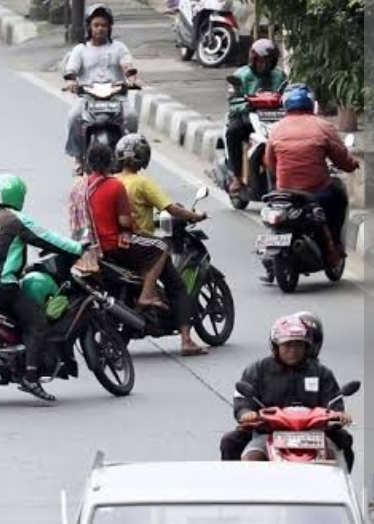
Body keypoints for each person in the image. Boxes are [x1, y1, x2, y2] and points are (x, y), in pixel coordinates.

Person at [0, 173, 85, 402]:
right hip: (2, 286)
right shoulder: (14, 219)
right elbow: (46, 238)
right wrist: (77, 248)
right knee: (38, 323)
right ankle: (31, 376)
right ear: (17, 195)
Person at [114, 133, 208, 356]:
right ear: (143, 157)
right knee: (177, 287)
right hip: (144, 248)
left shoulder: (112, 181)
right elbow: (171, 208)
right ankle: (186, 340)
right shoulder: (142, 183)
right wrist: (195, 216)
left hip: (118, 245)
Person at [264, 83, 360, 277]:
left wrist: (282, 180)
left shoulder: (276, 128)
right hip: (316, 191)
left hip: (284, 191)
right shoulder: (323, 126)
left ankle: (270, 251)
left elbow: (269, 161)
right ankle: (334, 249)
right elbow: (341, 158)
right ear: (311, 103)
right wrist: (352, 165)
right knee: (338, 200)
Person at [230, 315, 352, 462]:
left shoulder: (321, 372)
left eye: (298, 345)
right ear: (276, 346)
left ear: (307, 347)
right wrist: (246, 412)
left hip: (314, 434)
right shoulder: (258, 369)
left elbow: (334, 401)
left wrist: (339, 414)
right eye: (287, 345)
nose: (293, 350)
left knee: (343, 444)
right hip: (268, 433)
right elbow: (243, 399)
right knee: (236, 447)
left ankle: (344, 477)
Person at [82, 143, 168, 312]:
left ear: (88, 162)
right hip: (111, 245)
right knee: (161, 246)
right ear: (111, 162)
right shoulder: (115, 185)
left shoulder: (81, 186)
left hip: (87, 246)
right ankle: (147, 294)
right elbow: (125, 222)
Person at [62, 4, 140, 173]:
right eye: (96, 25)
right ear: (89, 27)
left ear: (109, 27)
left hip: (116, 96)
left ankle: (130, 157)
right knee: (74, 117)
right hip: (88, 97)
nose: (100, 29)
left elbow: (127, 65)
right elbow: (71, 69)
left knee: (132, 117)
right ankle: (78, 158)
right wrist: (71, 81)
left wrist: (131, 78)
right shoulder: (80, 50)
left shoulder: (119, 48)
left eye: (104, 25)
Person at [223, 39, 288, 195]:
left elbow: (286, 95)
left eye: (268, 61)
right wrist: (248, 105)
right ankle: (237, 177)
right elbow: (233, 101)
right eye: (261, 61)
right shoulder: (241, 75)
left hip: (274, 117)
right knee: (233, 132)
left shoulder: (280, 76)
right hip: (247, 116)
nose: (264, 65)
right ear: (253, 60)